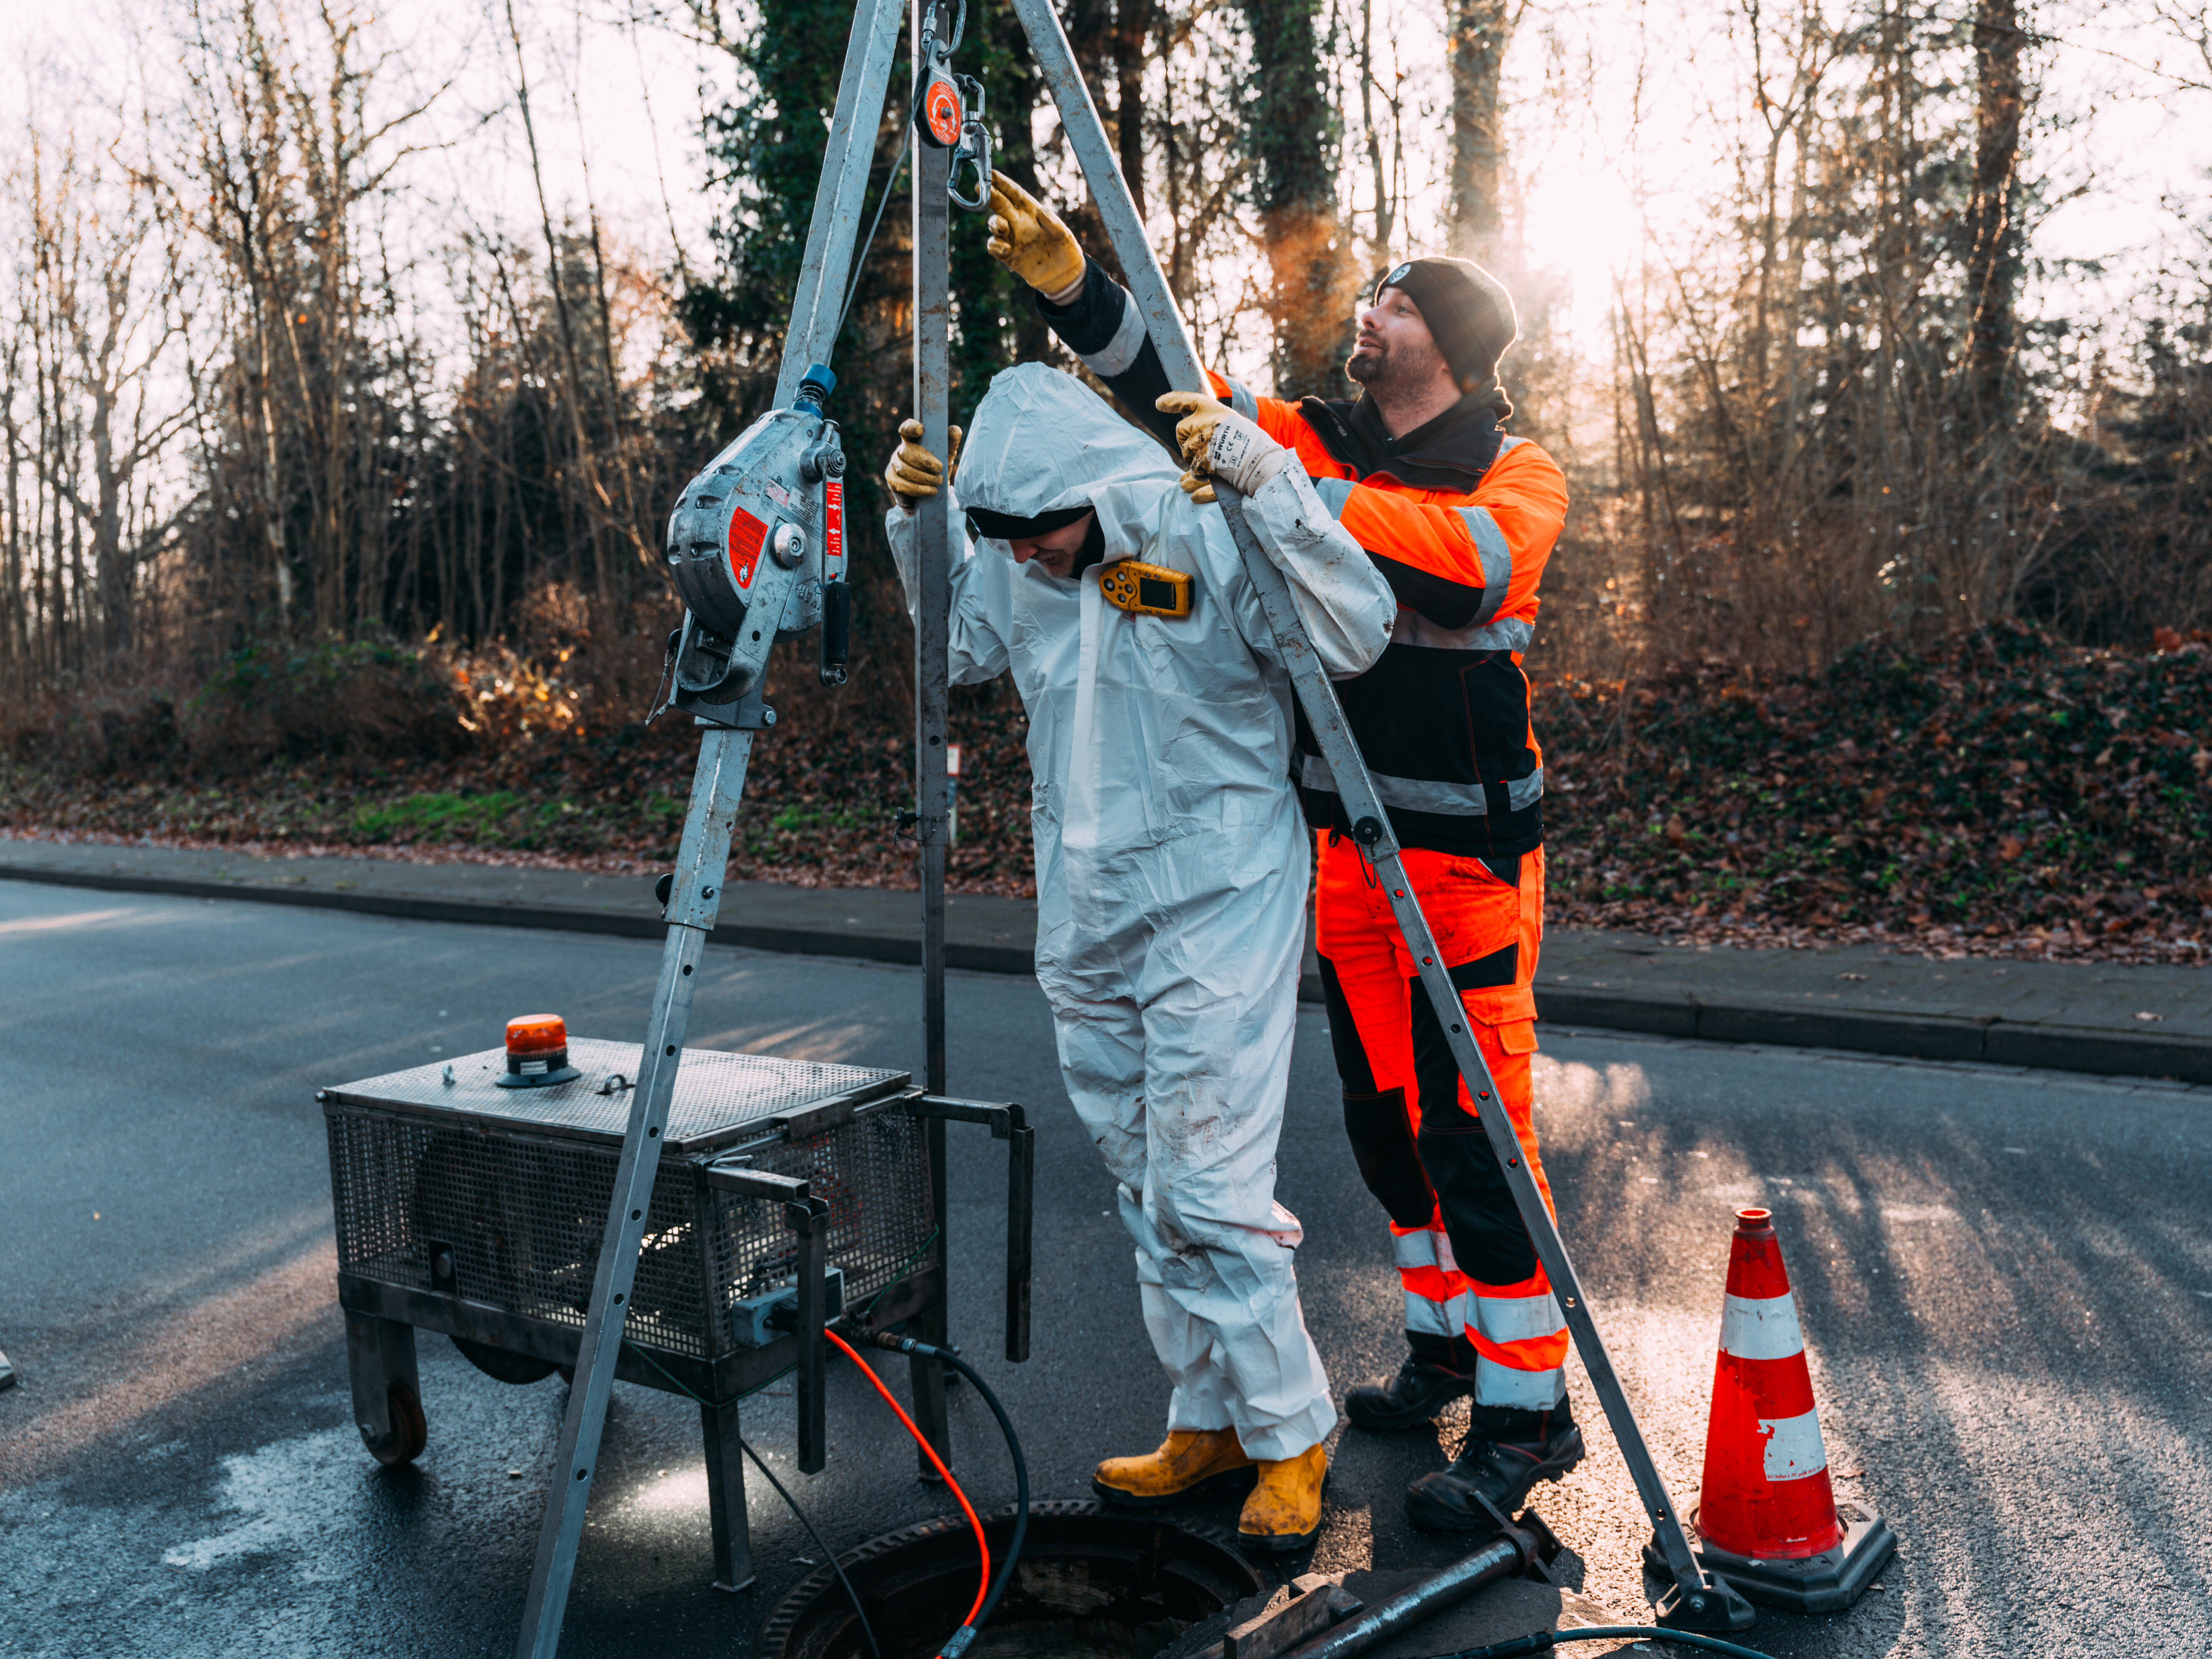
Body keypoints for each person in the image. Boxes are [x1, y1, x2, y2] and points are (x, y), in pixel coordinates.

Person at [982, 173, 1579, 1534]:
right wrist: (1080, 295)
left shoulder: (1513, 470)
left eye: (1393, 300)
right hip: (1348, 852)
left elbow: (1467, 569)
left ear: (1448, 337)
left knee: (1476, 1134)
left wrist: (1293, 486)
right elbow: (1178, 395)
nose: (1366, 315)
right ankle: (1442, 1346)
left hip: (1463, 854)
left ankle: (1527, 1412)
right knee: (1389, 1125)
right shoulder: (1322, 435)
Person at [881, 362, 1396, 1552]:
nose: (1020, 559)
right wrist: (922, 528)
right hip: (1088, 898)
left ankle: (1288, 1433)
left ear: (1089, 490)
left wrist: (1269, 483)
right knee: (1143, 1178)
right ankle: (1205, 1415)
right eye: (995, 537)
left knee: (1210, 1185)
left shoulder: (1200, 517)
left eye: (1034, 533)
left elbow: (1354, 629)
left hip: (1220, 893)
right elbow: (954, 651)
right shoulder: (1025, 557)